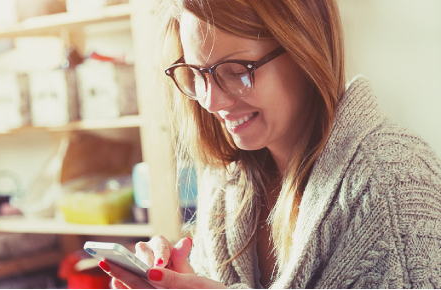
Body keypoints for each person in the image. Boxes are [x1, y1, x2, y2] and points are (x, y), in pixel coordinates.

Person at [98, 0, 441, 288]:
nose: (211, 101)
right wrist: (182, 277)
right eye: (197, 74)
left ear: (304, 48)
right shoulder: (227, 183)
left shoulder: (394, 182)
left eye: (236, 70)